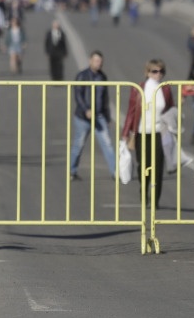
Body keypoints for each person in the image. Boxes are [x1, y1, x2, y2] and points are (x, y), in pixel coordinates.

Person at [122, 59, 174, 209]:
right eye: (154, 71)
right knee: (144, 166)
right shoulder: (139, 89)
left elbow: (171, 109)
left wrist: (173, 128)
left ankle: (155, 200)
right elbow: (131, 111)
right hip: (142, 132)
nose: (158, 74)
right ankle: (143, 192)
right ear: (147, 72)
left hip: (159, 133)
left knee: (157, 167)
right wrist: (126, 133)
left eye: (161, 71)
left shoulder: (165, 89)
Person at [69, 51, 115, 180]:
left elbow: (105, 98)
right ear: (90, 61)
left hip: (99, 116)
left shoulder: (102, 77)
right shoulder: (82, 76)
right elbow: (78, 95)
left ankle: (115, 172)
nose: (98, 63)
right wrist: (86, 110)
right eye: (96, 61)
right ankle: (72, 171)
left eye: (100, 61)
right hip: (83, 117)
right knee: (79, 144)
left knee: (107, 144)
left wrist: (107, 116)